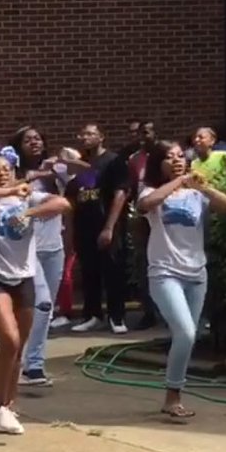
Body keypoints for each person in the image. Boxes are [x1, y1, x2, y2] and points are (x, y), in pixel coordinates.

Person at [0, 147, 70, 434]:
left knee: (18, 349)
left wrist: (30, 212)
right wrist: (7, 191)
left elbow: (62, 204)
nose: (2, 174)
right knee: (9, 340)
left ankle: (7, 406)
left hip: (23, 277)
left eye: (6, 169)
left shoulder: (29, 198)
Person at [137, 141, 226, 419]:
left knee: (189, 337)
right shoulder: (152, 191)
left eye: (181, 156)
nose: (178, 160)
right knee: (186, 333)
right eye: (170, 158)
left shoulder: (196, 195)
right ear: (159, 163)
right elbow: (145, 204)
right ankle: (173, 393)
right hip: (164, 272)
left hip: (196, 273)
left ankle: (173, 396)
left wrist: (202, 187)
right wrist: (179, 181)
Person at [11, 126, 64, 387]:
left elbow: (88, 175)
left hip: (55, 246)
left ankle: (32, 362)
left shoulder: (57, 171)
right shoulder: (16, 173)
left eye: (38, 138)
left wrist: (64, 161)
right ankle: (31, 365)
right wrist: (38, 173)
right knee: (41, 304)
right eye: (27, 139)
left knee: (47, 308)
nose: (34, 142)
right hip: (29, 247)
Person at [64, 123, 129, 334]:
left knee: (113, 272)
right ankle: (92, 315)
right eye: (82, 134)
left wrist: (109, 227)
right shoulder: (81, 166)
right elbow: (73, 198)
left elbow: (121, 193)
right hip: (85, 226)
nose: (85, 137)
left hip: (106, 224)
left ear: (101, 137)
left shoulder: (112, 161)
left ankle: (116, 317)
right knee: (89, 272)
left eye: (90, 134)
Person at [127, 121, 160, 330]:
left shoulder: (164, 155)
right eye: (139, 133)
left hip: (163, 213)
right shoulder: (133, 159)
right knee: (144, 261)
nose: (142, 136)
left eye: (146, 132)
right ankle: (148, 311)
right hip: (142, 215)